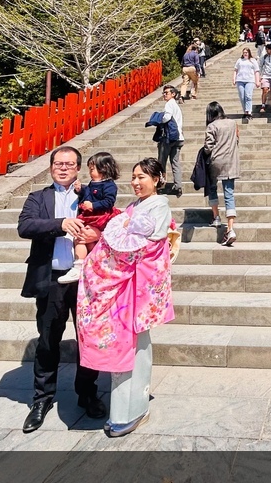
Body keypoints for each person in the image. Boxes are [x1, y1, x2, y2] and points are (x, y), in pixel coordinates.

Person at [77, 158, 175, 438]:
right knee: (126, 346)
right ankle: (124, 410)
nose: (136, 182)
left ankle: (132, 410)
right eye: (133, 177)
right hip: (125, 287)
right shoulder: (135, 206)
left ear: (157, 179)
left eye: (142, 177)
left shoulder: (159, 206)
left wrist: (107, 259)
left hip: (135, 286)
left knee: (134, 347)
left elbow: (149, 247)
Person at [17, 146, 103, 433]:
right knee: (48, 340)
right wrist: (59, 224)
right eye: (58, 163)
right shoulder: (38, 197)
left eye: (69, 164)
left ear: (78, 167)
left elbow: (109, 222)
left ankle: (87, 393)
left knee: (88, 341)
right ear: (51, 166)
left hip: (85, 281)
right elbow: (25, 226)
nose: (63, 168)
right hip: (51, 279)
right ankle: (42, 399)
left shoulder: (91, 194)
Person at [58, 152, 119, 285]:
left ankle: (92, 264)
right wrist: (80, 190)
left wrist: (93, 205)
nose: (90, 172)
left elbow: (109, 202)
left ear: (104, 168)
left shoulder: (109, 185)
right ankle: (79, 265)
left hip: (100, 217)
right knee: (80, 239)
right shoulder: (93, 183)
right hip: (89, 216)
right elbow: (88, 193)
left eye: (92, 169)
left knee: (86, 240)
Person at [203, 102, 240, 246]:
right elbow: (237, 139)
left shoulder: (212, 126)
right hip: (231, 161)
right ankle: (230, 228)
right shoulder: (232, 123)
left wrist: (205, 153)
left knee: (212, 188)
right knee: (229, 193)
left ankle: (216, 217)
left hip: (216, 161)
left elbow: (208, 146)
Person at [157, 85, 185, 196]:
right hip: (179, 137)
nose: (164, 94)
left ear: (173, 94)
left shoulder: (169, 104)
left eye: (166, 92)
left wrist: (159, 120)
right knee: (175, 162)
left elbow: (167, 117)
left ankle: (161, 184)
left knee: (161, 162)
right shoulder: (176, 106)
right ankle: (178, 186)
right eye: (163, 93)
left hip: (169, 138)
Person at [232, 47, 259, 123]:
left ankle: (249, 112)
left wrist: (257, 81)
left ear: (249, 53)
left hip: (249, 80)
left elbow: (256, 71)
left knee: (248, 95)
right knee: (242, 96)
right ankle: (245, 111)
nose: (245, 54)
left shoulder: (253, 61)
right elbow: (235, 70)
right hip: (240, 80)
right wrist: (234, 78)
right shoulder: (239, 60)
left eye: (246, 52)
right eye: (244, 52)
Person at [258, 43, 271, 114]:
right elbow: (260, 65)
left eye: (268, 49)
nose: (267, 50)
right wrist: (260, 75)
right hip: (265, 76)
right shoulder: (264, 57)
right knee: (265, 90)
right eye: (266, 49)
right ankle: (263, 105)